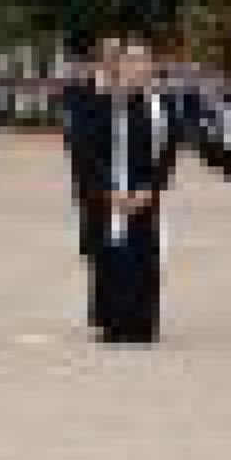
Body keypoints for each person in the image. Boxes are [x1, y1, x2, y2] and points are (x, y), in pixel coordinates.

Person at [61, 33, 185, 343]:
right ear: (119, 66)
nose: (137, 66)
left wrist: (151, 189)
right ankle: (112, 321)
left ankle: (141, 322)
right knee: (111, 255)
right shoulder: (100, 104)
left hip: (143, 195)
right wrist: (107, 189)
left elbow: (167, 154)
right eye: (131, 60)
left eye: (143, 60)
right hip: (108, 194)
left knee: (143, 257)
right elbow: (85, 151)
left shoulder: (160, 108)